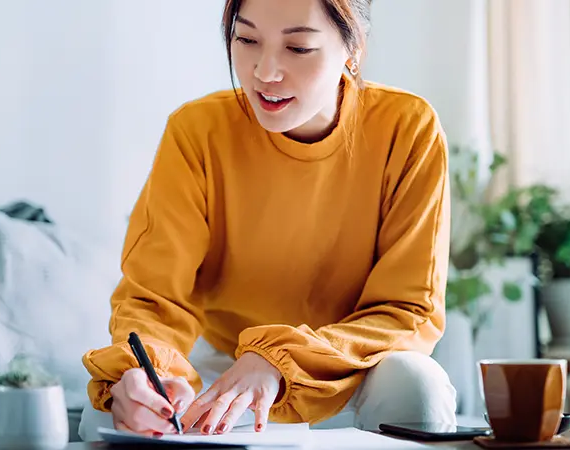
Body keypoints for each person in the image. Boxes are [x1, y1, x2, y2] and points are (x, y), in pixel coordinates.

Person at [78, 0, 457, 440]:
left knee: (418, 385)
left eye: (297, 48)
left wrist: (281, 360)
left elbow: (408, 310)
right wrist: (149, 376)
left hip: (350, 369)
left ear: (352, 49)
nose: (266, 72)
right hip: (225, 366)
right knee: (110, 412)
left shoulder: (408, 128)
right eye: (247, 40)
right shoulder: (197, 131)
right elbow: (153, 297)